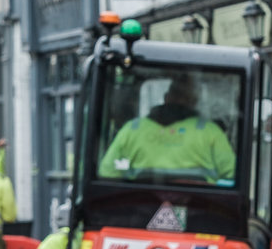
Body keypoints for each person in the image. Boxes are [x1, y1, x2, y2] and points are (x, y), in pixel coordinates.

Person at [97, 74, 236, 184]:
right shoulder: (209, 132)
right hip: (200, 209)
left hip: (138, 209)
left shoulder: (133, 129)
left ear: (166, 98)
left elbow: (107, 173)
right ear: (194, 103)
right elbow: (232, 174)